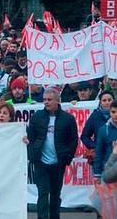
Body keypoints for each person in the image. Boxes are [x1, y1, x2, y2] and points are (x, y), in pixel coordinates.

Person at [27, 89, 78, 219]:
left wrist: (67, 157)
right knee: (43, 194)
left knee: (55, 194)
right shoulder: (37, 116)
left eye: (49, 100)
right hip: (41, 163)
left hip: (58, 163)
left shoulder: (68, 119)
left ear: (57, 101)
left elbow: (73, 141)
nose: (46, 102)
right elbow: (30, 138)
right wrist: (33, 154)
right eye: (44, 100)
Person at [81, 91, 115, 164]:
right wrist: (95, 146)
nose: (107, 103)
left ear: (114, 101)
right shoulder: (95, 116)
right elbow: (84, 136)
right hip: (100, 158)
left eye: (109, 100)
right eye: (104, 100)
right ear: (100, 102)